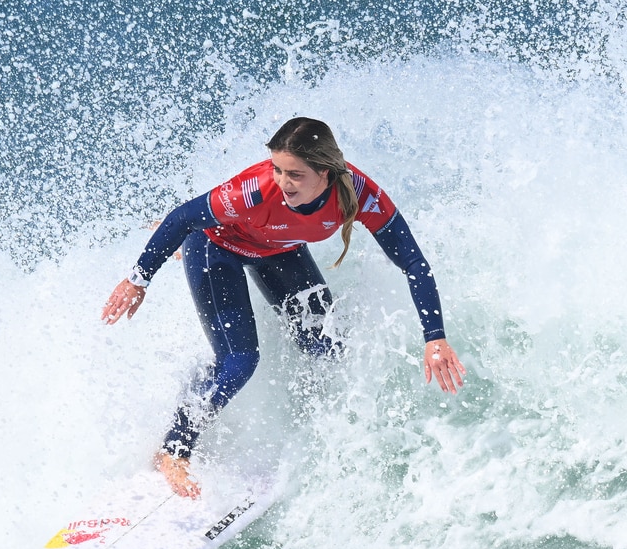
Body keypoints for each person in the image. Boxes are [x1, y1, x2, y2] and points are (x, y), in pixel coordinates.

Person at [102, 117, 465, 498]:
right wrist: (137, 280)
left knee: (328, 345)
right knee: (240, 361)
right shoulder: (254, 190)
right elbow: (182, 218)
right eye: (277, 169)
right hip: (216, 248)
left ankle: (291, 418)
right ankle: (173, 450)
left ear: (325, 173)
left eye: (294, 174)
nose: (282, 182)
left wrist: (435, 337)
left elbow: (413, 263)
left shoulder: (360, 195)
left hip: (279, 250)